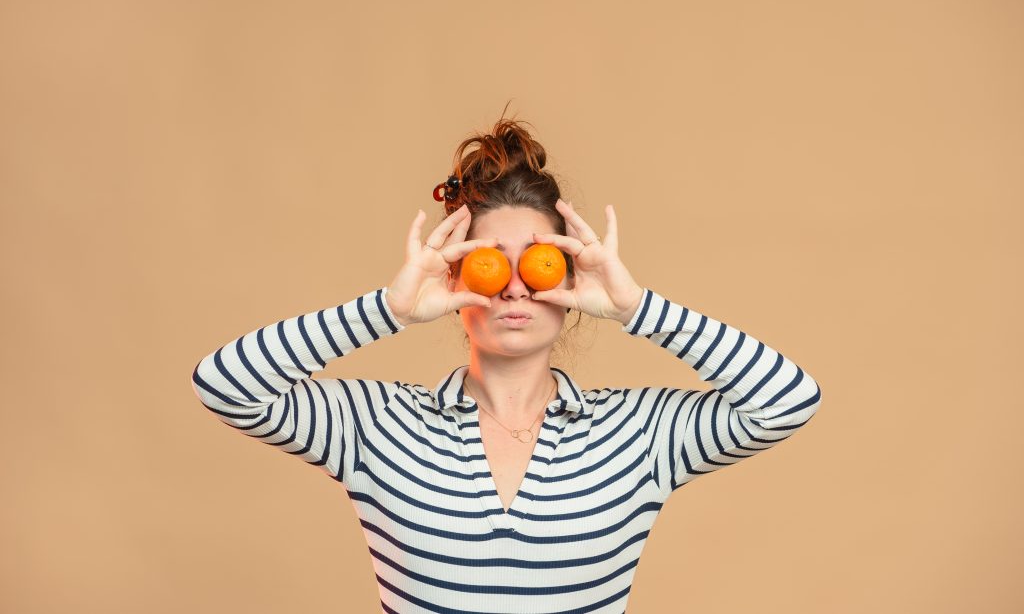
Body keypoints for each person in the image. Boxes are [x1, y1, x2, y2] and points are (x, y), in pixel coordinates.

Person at [190, 113, 822, 613]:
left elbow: (788, 400)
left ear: (570, 281)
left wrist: (636, 307)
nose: (516, 287)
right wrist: (389, 308)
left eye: (538, 262)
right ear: (456, 278)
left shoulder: (640, 434)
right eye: (491, 265)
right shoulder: (375, 425)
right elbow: (225, 385)